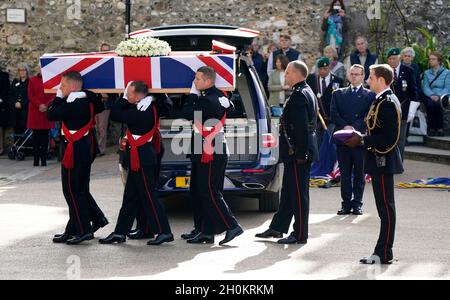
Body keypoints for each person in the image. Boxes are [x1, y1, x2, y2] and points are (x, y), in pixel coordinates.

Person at [100, 81, 173, 246]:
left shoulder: (141, 110)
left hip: (142, 157)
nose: (128, 96)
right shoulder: (147, 106)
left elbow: (116, 114)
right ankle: (120, 232)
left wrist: (125, 98)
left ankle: (164, 231)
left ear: (140, 95)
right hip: (139, 155)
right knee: (130, 197)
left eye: (131, 94)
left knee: (149, 195)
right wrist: (150, 97)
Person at [345, 64, 404, 264]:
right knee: (383, 208)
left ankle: (384, 252)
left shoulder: (387, 101)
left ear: (380, 79)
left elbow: (389, 137)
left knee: (386, 209)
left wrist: (362, 140)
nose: (368, 80)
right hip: (380, 159)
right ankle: (383, 251)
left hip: (383, 160)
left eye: (370, 76)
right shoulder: (381, 100)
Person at [256, 61, 319, 244]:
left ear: (298, 74)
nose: (286, 76)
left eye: (289, 72)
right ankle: (277, 227)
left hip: (298, 154)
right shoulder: (304, 91)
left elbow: (300, 128)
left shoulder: (300, 95)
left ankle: (300, 234)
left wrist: (300, 155)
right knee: (289, 192)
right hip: (296, 152)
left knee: (299, 195)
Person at [180, 66, 243, 245]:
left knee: (209, 191)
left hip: (211, 149)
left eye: (198, 79)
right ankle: (204, 229)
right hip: (204, 147)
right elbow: (227, 104)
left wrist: (192, 95)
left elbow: (185, 113)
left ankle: (232, 226)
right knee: (197, 191)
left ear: (208, 81)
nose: (195, 82)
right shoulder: (218, 97)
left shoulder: (207, 100)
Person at [47, 71, 106, 245]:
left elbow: (50, 114)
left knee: (73, 191)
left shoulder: (72, 104)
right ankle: (82, 225)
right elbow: (99, 103)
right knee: (78, 190)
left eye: (63, 85)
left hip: (77, 150)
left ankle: (84, 230)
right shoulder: (86, 100)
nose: (60, 88)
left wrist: (58, 97)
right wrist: (85, 93)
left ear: (73, 87)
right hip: (82, 149)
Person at [330, 64, 375, 215]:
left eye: (358, 74)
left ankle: (357, 204)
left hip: (360, 139)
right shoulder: (338, 93)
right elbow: (334, 114)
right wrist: (346, 127)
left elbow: (368, 115)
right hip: (342, 139)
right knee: (345, 174)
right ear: (349, 76)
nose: (354, 76)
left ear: (363, 76)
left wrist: (354, 128)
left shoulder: (370, 95)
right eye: (352, 74)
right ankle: (345, 204)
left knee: (359, 174)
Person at [386, 48, 419, 160]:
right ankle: (389, 160)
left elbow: (413, 92)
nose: (392, 61)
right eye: (390, 59)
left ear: (399, 58)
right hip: (388, 109)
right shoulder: (384, 71)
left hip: (403, 109)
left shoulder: (408, 71)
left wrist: (412, 111)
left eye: (394, 58)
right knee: (388, 136)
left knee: (401, 138)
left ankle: (398, 162)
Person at [307, 57, 344, 147]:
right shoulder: (311, 79)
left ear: (329, 67)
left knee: (329, 143)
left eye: (325, 68)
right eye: (321, 69)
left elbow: (340, 100)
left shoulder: (337, 81)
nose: (323, 71)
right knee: (317, 143)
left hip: (331, 117)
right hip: (316, 117)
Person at [27, 66, 54, 166]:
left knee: (45, 138)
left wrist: (46, 105)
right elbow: (30, 95)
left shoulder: (50, 80)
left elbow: (53, 95)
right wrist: (39, 105)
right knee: (36, 138)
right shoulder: (32, 80)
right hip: (35, 111)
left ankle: (43, 160)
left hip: (46, 112)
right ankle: (35, 160)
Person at [95, 42, 116, 156]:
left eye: (107, 51)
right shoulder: (96, 66)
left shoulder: (111, 68)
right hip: (97, 102)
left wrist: (104, 92)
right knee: (97, 127)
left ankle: (101, 149)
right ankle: (97, 148)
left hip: (105, 103)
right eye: (103, 51)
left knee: (102, 127)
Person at [422, 51, 450, 136]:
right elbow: (425, 86)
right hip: (430, 95)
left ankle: (440, 128)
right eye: (430, 59)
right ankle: (432, 128)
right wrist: (431, 95)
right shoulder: (427, 73)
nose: (431, 61)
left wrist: (438, 95)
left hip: (442, 95)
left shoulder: (447, 72)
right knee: (430, 105)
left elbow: (447, 87)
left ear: (439, 61)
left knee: (438, 104)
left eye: (433, 59)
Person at [10, 64, 30, 142]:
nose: (22, 72)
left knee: (24, 129)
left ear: (26, 71)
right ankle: (17, 148)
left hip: (25, 110)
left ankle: (25, 149)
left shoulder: (29, 82)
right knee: (16, 129)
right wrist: (15, 103)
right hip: (15, 111)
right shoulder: (15, 81)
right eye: (20, 70)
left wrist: (22, 104)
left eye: (23, 70)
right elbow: (10, 94)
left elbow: (30, 96)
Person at [0, 66, 10, 156]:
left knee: (0, 128)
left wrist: (1, 99)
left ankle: (1, 148)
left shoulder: (4, 76)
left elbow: (6, 91)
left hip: (1, 104)